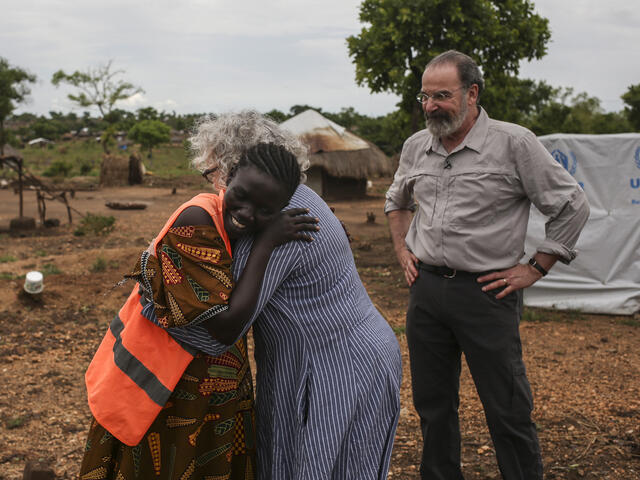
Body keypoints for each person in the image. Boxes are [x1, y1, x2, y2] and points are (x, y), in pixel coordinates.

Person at [385, 50, 590, 479]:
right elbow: (396, 201)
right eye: (424, 96)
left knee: (508, 408)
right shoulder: (416, 146)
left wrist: (535, 267)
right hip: (426, 291)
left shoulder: (513, 143)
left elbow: (571, 204)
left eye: (442, 95)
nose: (431, 106)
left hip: (486, 292)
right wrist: (403, 250)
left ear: (472, 93)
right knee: (433, 406)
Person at [169, 112, 403, 479]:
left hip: (336, 363)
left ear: (239, 166)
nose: (213, 184)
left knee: (319, 465)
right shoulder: (280, 205)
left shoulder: (283, 220)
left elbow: (219, 323)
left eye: (213, 173)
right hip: (341, 352)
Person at [79, 140, 317, 480]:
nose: (248, 213)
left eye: (265, 210)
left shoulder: (236, 226)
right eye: (243, 195)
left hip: (209, 394)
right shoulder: (196, 218)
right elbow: (225, 326)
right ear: (227, 177)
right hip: (165, 391)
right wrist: (267, 242)